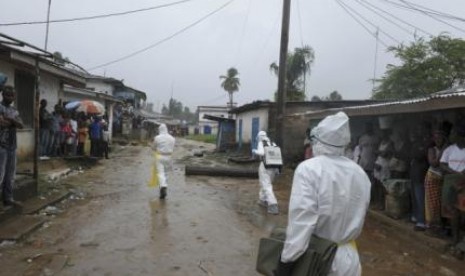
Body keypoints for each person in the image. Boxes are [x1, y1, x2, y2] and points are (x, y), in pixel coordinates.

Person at [275, 112, 371, 276]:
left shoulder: (309, 169)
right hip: (349, 259)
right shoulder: (359, 173)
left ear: (317, 141)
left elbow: (302, 221)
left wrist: (286, 261)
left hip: (320, 258)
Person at [0, 86, 24, 208]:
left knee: (10, 175)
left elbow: (21, 125)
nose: (10, 97)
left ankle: (8, 198)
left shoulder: (14, 110)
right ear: (3, 95)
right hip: (1, 145)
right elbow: (2, 124)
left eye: (12, 95)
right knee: (1, 174)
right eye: (8, 95)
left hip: (12, 145)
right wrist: (13, 122)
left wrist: (10, 120)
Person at [424, 129, 448, 235]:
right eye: (436, 138)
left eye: (440, 137)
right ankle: (431, 227)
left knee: (439, 204)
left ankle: (438, 227)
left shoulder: (448, 149)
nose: (438, 140)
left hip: (442, 179)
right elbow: (433, 163)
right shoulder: (432, 149)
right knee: (431, 204)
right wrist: (443, 151)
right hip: (432, 178)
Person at [252, 130, 280, 215]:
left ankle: (273, 205)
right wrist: (278, 170)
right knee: (266, 184)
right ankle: (262, 200)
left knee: (266, 185)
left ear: (259, 137)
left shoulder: (261, 143)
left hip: (265, 166)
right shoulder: (273, 143)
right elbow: (278, 155)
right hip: (274, 166)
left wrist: (254, 151)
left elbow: (262, 152)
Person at [153, 124, 175, 199]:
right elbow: (172, 148)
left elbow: (154, 147)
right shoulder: (172, 138)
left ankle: (163, 187)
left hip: (160, 156)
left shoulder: (157, 138)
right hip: (169, 157)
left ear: (160, 130)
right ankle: (164, 187)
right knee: (166, 173)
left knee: (160, 173)